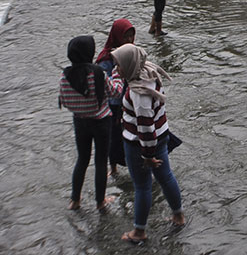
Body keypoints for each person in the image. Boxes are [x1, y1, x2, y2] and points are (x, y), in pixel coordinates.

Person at [113, 43, 184, 243]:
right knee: (166, 176)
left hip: (140, 145)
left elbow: (146, 128)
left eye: (119, 65)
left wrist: (148, 156)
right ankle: (178, 216)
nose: (116, 69)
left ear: (130, 65)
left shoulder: (139, 93)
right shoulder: (147, 72)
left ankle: (139, 232)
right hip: (162, 137)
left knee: (142, 186)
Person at [59, 35, 123, 213]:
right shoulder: (98, 73)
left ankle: (75, 200)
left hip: (79, 121)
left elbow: (64, 100)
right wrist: (117, 74)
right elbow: (116, 93)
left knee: (82, 160)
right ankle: (100, 202)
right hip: (101, 123)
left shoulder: (65, 75)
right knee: (101, 161)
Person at [96, 18, 135, 176]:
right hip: (114, 104)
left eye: (132, 36)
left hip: (130, 99)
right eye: (126, 37)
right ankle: (113, 168)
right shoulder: (106, 58)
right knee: (114, 137)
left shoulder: (131, 52)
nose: (130, 40)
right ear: (118, 36)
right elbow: (106, 85)